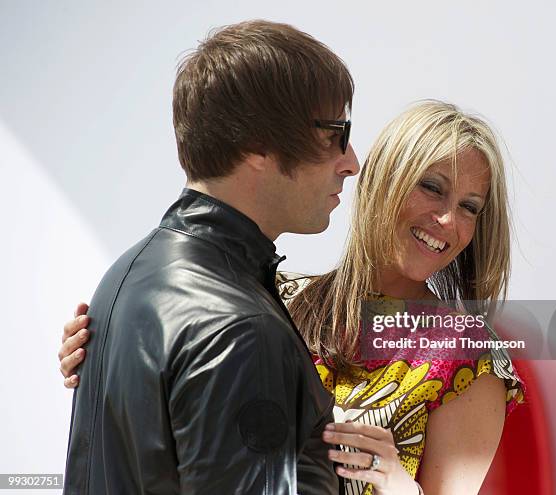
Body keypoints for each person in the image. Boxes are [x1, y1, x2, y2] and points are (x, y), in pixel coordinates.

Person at [59, 102, 523, 492]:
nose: (446, 220)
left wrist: (402, 488)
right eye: (432, 187)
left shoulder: (469, 356)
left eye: (469, 207)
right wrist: (112, 351)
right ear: (385, 180)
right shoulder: (275, 295)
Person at [60, 19, 365, 495]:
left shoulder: (123, 277)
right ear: (256, 145)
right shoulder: (241, 327)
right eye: (334, 134)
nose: (351, 162)